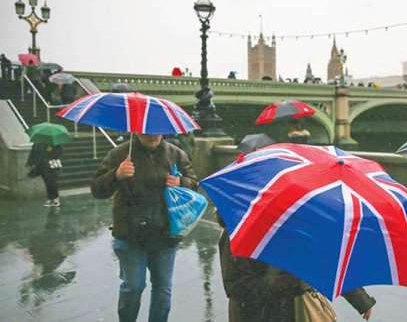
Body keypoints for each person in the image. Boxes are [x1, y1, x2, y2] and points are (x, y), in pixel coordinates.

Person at [91, 134, 197, 322]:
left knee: (163, 288)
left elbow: (194, 183)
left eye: (157, 130)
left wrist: (182, 182)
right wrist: (116, 174)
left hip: (165, 233)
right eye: (147, 131)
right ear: (137, 130)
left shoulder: (176, 154)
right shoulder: (119, 154)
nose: (152, 135)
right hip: (131, 233)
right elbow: (97, 189)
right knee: (133, 286)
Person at [218, 227, 375, 322]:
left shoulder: (293, 225)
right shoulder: (236, 234)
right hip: (251, 316)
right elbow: (234, 287)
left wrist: (360, 299)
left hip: (288, 313)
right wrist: (291, 282)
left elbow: (324, 260)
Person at [27, 142, 63, 207]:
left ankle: (56, 198)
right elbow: (32, 153)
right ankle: (50, 198)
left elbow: (59, 152)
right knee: (47, 182)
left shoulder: (54, 143)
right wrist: (30, 163)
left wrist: (51, 152)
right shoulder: (37, 143)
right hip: (42, 166)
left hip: (51, 165)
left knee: (52, 181)